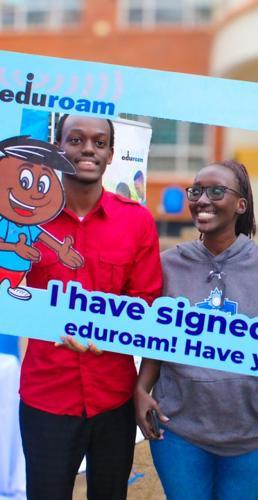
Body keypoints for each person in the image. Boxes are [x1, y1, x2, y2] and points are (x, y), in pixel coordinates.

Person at [135, 160, 258, 499]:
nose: (202, 199)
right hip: (178, 428)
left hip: (254, 431)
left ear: (241, 205)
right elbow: (155, 339)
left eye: (216, 191)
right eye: (196, 191)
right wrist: (141, 389)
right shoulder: (168, 263)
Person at [19, 114, 162, 500]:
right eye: (76, 140)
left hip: (113, 398)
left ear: (111, 154)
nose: (88, 149)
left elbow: (148, 303)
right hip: (47, 395)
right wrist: (53, 323)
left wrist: (107, 330)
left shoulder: (136, 221)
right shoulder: (26, 218)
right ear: (57, 148)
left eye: (99, 143)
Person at [0, 136, 83, 300]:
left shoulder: (30, 226)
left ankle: (12, 288)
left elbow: (43, 236)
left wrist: (60, 249)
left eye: (41, 186)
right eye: (24, 181)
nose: (35, 195)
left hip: (19, 273)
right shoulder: (5, 223)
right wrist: (15, 247)